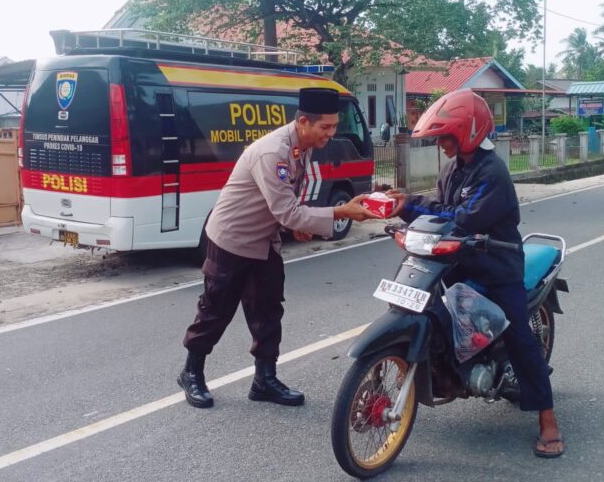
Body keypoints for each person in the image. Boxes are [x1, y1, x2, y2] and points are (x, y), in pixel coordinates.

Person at [386, 89, 565, 459]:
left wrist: (413, 207)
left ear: (467, 131)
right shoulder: (454, 168)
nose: (441, 144)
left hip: (498, 268)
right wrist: (407, 206)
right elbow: (439, 207)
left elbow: (466, 218)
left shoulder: (493, 172)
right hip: (458, 261)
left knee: (519, 339)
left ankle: (548, 419)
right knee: (432, 311)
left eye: (446, 136)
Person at [178, 87, 378, 409]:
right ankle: (191, 373)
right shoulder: (274, 152)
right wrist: (339, 212)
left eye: (333, 126)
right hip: (232, 239)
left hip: (264, 240)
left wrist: (296, 224)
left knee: (268, 310)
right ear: (303, 121)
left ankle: (264, 380)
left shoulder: (303, 146)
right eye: (325, 127)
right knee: (216, 309)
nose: (331, 134)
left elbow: (285, 203)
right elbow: (286, 210)